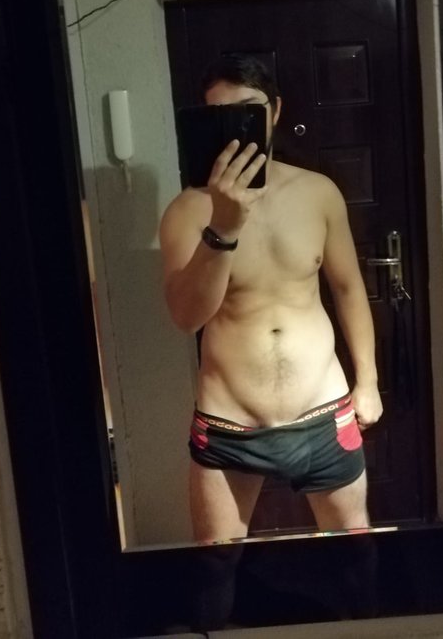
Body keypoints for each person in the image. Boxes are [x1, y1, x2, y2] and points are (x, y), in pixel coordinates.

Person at [160, 54, 382, 542]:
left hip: (323, 411)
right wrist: (224, 226)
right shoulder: (186, 211)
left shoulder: (319, 193)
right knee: (216, 566)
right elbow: (186, 317)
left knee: (354, 555)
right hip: (229, 424)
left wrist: (368, 381)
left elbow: (348, 288)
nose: (236, 127)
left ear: (275, 111)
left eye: (248, 110)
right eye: (220, 115)